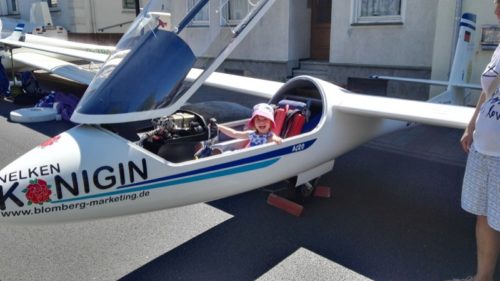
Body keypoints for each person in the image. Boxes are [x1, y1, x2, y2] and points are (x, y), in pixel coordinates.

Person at [457, 2, 500, 281]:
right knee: (484, 216)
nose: (496, 12)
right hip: (484, 148)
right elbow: (487, 93)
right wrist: (470, 126)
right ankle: (481, 278)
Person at [217, 103, 282, 146]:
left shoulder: (270, 137)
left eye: (265, 119)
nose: (261, 122)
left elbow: (275, 138)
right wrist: (219, 126)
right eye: (258, 120)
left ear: (271, 122)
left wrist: (276, 139)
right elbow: (234, 133)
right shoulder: (252, 134)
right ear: (254, 123)